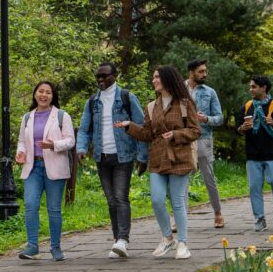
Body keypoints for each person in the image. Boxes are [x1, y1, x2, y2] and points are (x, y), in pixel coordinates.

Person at [116, 65, 200, 260]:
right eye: (153, 77)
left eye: (156, 77)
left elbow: (196, 131)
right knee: (156, 200)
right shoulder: (152, 106)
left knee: (178, 201)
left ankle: (183, 243)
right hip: (158, 158)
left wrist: (177, 134)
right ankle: (167, 237)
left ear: (167, 80)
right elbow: (147, 133)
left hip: (180, 158)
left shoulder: (185, 103)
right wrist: (130, 126)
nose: (153, 80)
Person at [75, 62, 148, 259]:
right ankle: (118, 240)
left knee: (120, 197)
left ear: (115, 75)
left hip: (123, 156)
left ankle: (123, 239)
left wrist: (143, 157)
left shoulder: (126, 97)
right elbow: (84, 129)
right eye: (98, 76)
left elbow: (141, 127)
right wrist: (81, 148)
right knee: (110, 200)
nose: (100, 79)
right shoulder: (92, 102)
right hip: (102, 157)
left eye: (104, 76)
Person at [15, 81, 76, 261]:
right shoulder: (27, 117)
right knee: (30, 205)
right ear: (35, 94)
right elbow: (21, 141)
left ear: (53, 96)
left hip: (54, 167)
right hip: (33, 168)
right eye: (41, 91)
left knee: (54, 209)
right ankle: (32, 246)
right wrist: (21, 152)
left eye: (48, 92)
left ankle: (55, 247)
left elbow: (70, 141)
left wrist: (53, 145)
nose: (44, 95)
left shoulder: (62, 116)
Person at [236, 75, 273, 232]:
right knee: (254, 187)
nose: (251, 90)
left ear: (264, 88)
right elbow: (238, 127)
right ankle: (259, 218)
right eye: (250, 87)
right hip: (253, 153)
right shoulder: (248, 106)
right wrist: (243, 128)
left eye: (253, 87)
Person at [186, 59, 225, 228]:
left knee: (208, 177)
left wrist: (206, 119)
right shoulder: (179, 89)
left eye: (205, 71)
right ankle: (181, 218)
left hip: (203, 138)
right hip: (184, 138)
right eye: (201, 71)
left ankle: (218, 213)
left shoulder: (210, 92)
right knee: (182, 179)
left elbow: (220, 118)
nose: (204, 74)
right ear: (191, 72)